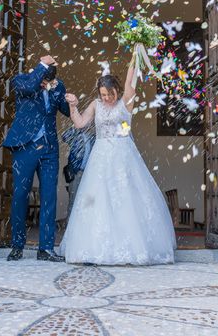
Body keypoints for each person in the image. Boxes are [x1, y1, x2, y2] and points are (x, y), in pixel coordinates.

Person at [61, 57, 176, 265]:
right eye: (103, 95)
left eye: (110, 94)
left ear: (116, 90)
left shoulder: (126, 102)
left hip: (123, 156)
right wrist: (73, 106)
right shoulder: (96, 105)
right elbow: (79, 123)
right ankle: (96, 247)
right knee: (98, 199)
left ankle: (130, 247)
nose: (106, 99)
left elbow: (130, 82)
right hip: (101, 156)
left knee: (126, 199)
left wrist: (135, 54)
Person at [3, 55, 70, 262]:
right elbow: (32, 85)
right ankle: (17, 245)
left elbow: (66, 111)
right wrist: (42, 66)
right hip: (25, 146)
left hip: (49, 148)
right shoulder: (22, 80)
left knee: (49, 195)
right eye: (44, 80)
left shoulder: (58, 87)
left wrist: (70, 100)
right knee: (20, 195)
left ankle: (46, 248)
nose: (45, 84)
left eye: (48, 81)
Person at [61, 125, 95, 222]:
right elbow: (64, 136)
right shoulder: (74, 135)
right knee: (73, 200)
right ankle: (69, 226)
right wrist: (74, 127)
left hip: (87, 174)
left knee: (88, 201)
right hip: (76, 172)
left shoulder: (92, 137)